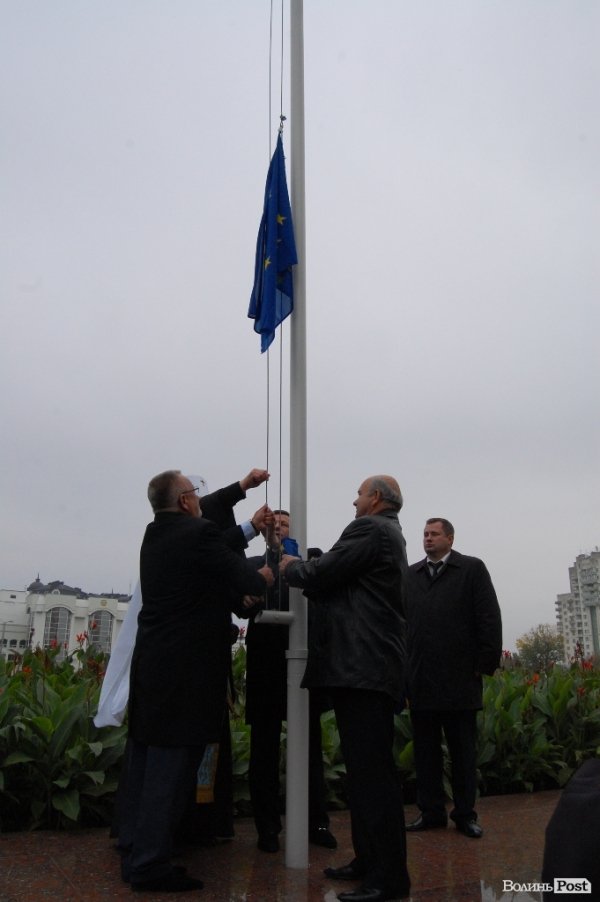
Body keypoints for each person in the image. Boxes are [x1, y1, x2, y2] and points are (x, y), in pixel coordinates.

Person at [118, 470, 274, 893]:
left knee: (145, 766)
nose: (200, 500)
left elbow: (213, 547)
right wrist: (270, 570)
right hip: (184, 678)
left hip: (153, 672)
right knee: (170, 774)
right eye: (194, 494)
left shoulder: (157, 536)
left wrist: (242, 495)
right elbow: (242, 576)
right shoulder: (197, 535)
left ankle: (134, 847)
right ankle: (150, 865)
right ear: (186, 501)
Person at [280, 476, 411, 902]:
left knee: (373, 780)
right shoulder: (388, 532)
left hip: (364, 667)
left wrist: (291, 568)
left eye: (358, 494)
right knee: (363, 777)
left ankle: (388, 880)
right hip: (366, 667)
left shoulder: (371, 528)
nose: (353, 501)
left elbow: (324, 572)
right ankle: (368, 862)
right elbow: (341, 581)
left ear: (375, 498)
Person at [243, 511, 336, 853]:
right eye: (272, 525)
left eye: (283, 524)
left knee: (309, 747)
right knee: (263, 750)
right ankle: (267, 828)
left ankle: (317, 822)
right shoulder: (251, 564)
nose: (277, 528)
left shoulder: (313, 560)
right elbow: (239, 606)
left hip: (303, 669)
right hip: (265, 667)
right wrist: (247, 597)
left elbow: (327, 596)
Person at [404, 518, 502, 840]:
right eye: (425, 534)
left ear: (450, 537)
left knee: (463, 754)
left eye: (434, 534)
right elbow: (401, 623)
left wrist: (483, 665)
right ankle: (430, 812)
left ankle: (464, 815)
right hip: (421, 680)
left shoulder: (471, 569)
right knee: (425, 753)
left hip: (460, 679)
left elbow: (488, 617)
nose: (428, 539)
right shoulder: (411, 575)